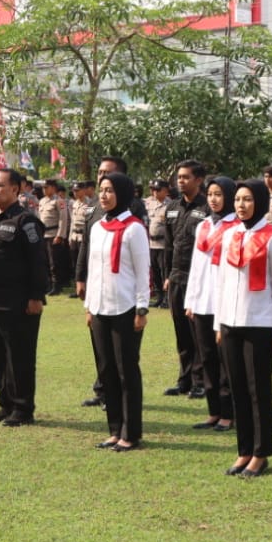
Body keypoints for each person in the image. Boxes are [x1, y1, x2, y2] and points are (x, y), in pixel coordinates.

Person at [217, 179, 272, 478]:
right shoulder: (230, 234)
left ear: (259, 201)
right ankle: (243, 450)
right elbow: (221, 282)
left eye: (247, 200)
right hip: (230, 323)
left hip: (260, 323)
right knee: (238, 392)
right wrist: (218, 323)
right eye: (238, 200)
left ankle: (260, 453)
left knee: (258, 391)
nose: (241, 206)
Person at [84, 173, 151, 451]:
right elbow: (92, 269)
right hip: (100, 307)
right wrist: (89, 305)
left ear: (122, 194)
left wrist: (142, 308)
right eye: (101, 190)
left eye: (110, 190)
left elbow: (142, 271)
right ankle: (114, 429)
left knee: (126, 372)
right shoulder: (97, 227)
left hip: (125, 308)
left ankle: (130, 432)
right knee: (106, 370)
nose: (104, 195)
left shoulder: (134, 229)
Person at [0, 169, 48, 427]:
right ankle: (6, 403)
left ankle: (23, 408)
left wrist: (36, 296)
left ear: (16, 189)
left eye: (0, 185)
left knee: (19, 357)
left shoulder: (25, 221)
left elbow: (38, 261)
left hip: (17, 303)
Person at [184, 175, 239, 433]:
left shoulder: (237, 227)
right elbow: (196, 266)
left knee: (225, 360)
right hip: (202, 302)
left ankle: (229, 413)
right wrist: (191, 300)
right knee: (206, 358)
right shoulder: (204, 225)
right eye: (211, 194)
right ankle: (213, 410)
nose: (215, 199)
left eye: (220, 194)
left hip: (224, 303)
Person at [162, 160, 211, 398]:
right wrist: (167, 276)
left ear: (199, 180)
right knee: (181, 331)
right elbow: (169, 245)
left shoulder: (208, 209)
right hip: (177, 277)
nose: (180, 181)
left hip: (198, 278)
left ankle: (201, 381)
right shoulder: (171, 207)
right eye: (179, 177)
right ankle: (184, 379)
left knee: (198, 332)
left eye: (185, 177)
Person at [147, 179, 171, 307]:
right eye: (154, 190)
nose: (155, 192)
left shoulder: (170, 205)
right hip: (152, 243)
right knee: (155, 271)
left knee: (164, 272)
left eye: (158, 190)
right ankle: (159, 297)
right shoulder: (150, 203)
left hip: (163, 244)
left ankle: (167, 298)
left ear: (165, 191)